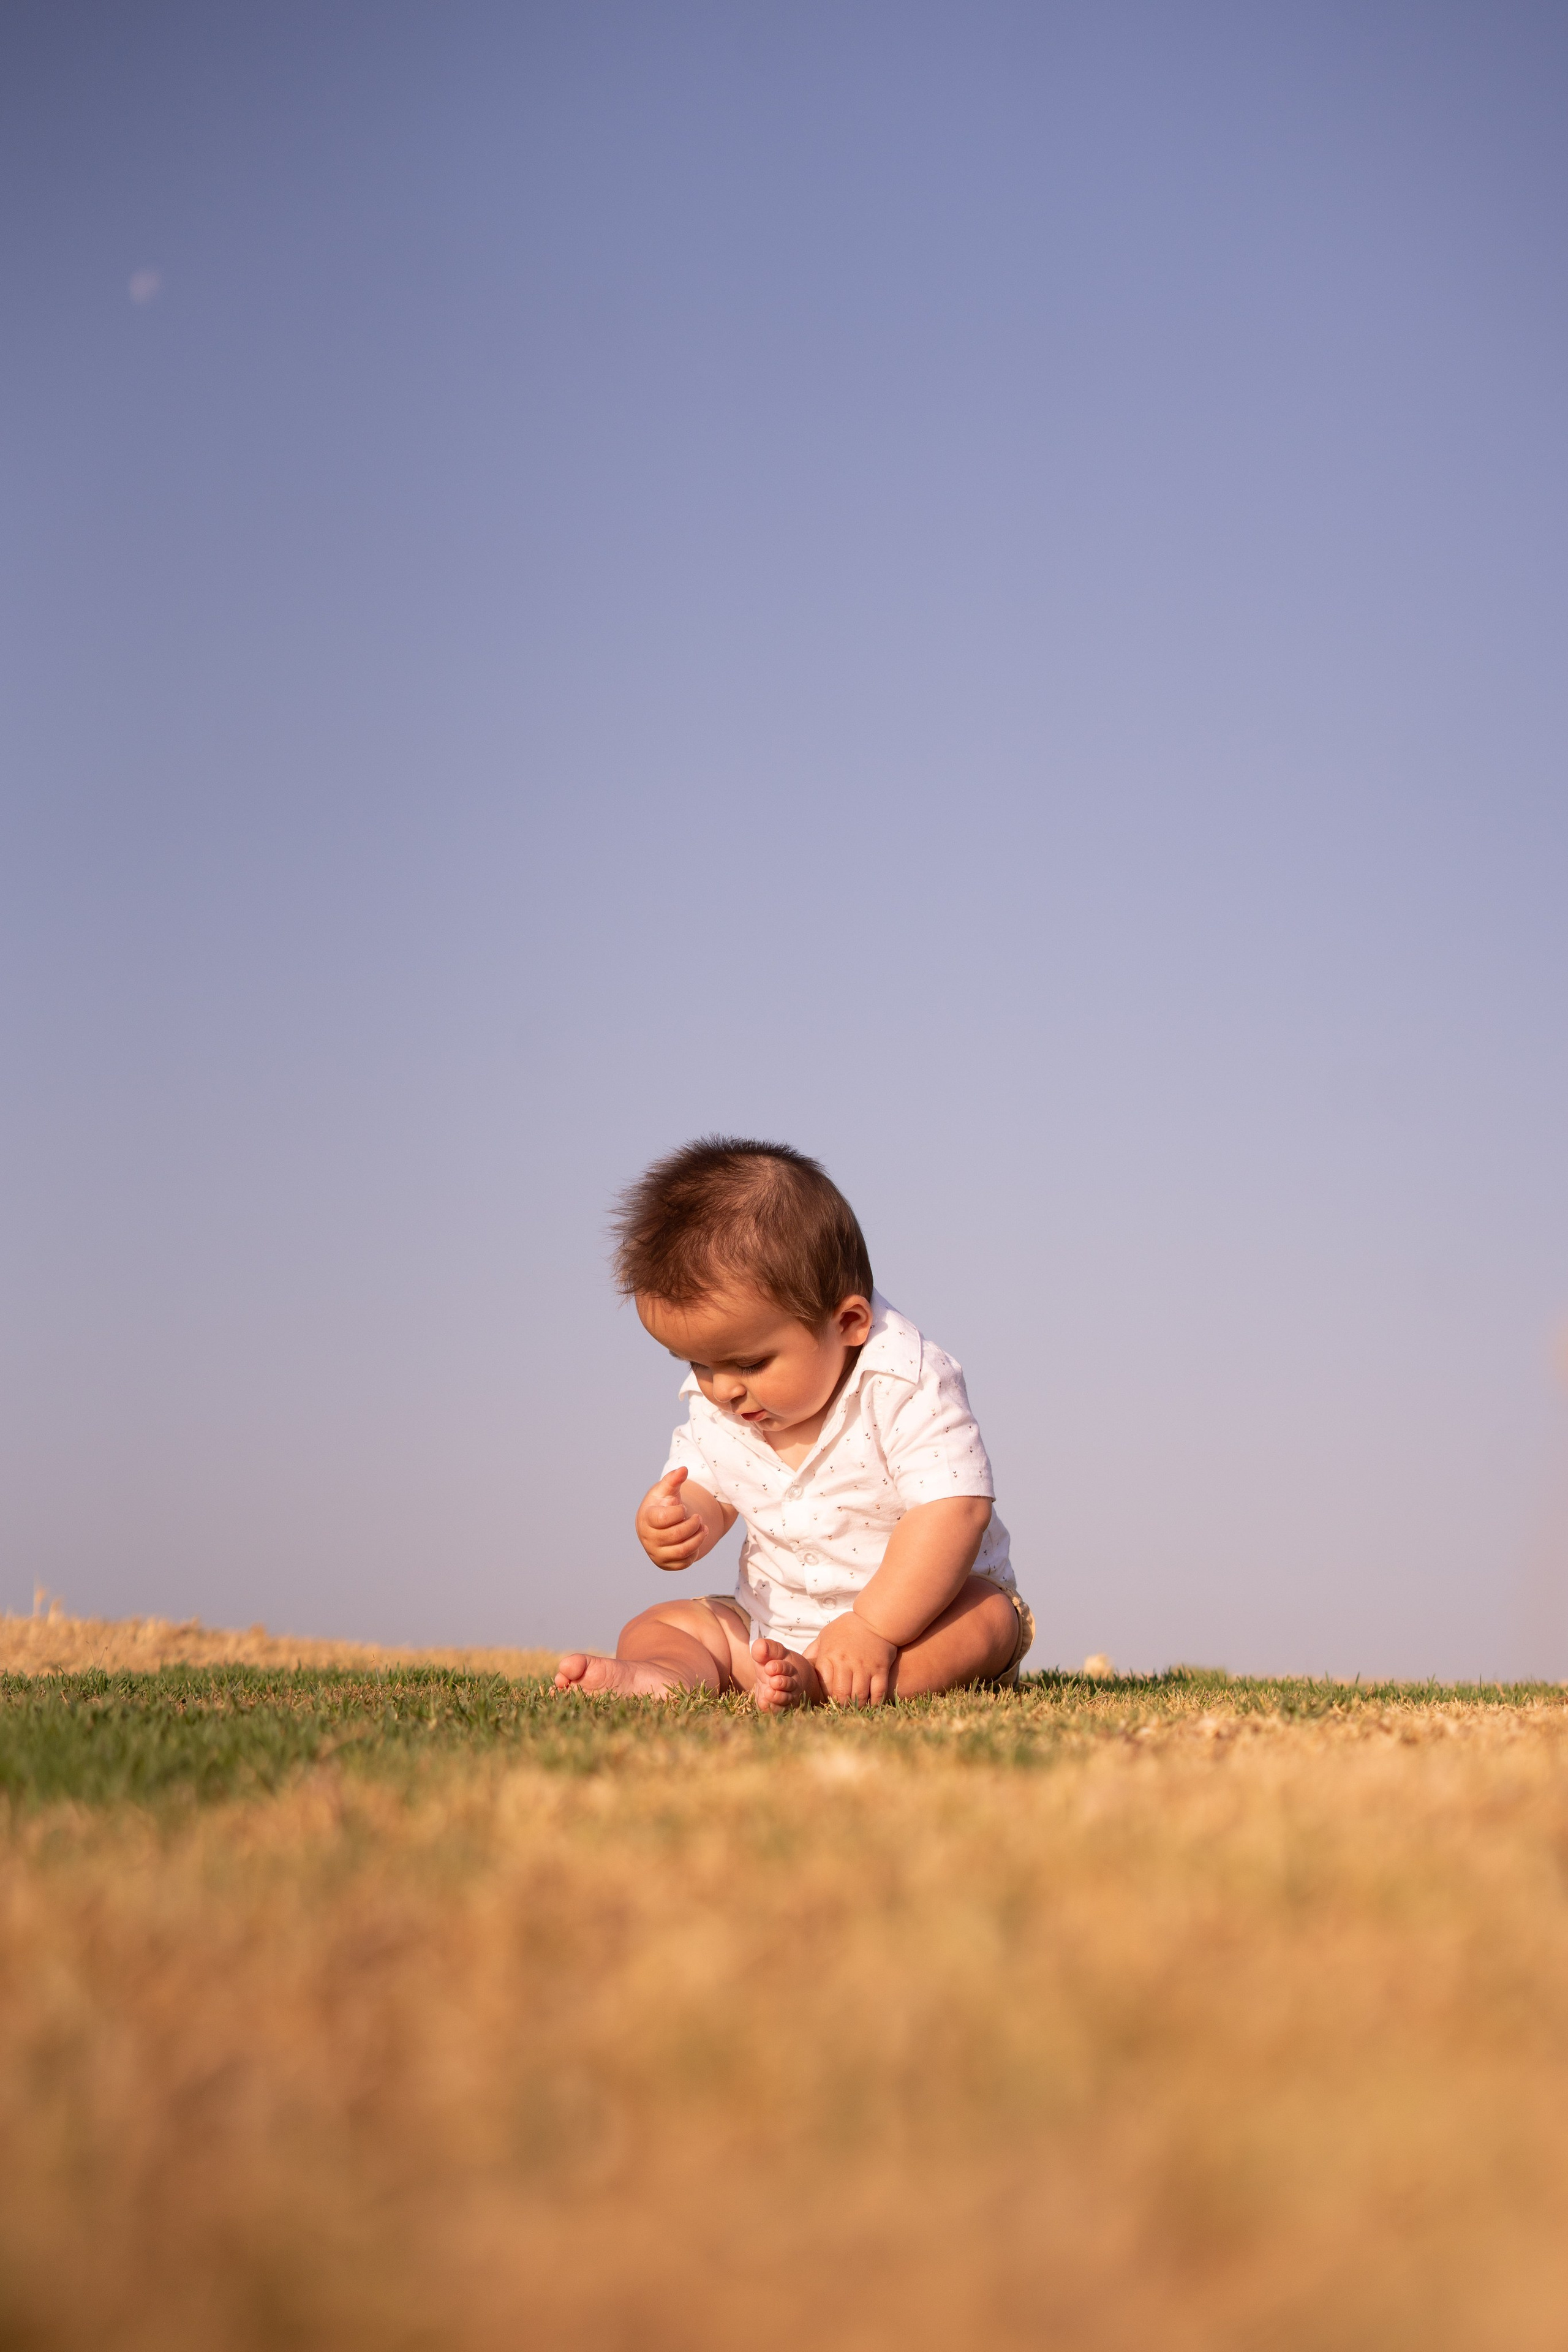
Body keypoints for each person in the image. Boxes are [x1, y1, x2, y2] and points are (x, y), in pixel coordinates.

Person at [554, 1137, 1033, 1710]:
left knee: (989, 1619)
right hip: (771, 1625)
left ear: (848, 1322)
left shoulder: (906, 1381)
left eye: (750, 1363)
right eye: (698, 1364)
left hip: (916, 1625)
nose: (723, 1389)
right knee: (662, 1623)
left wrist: (873, 1627)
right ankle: (668, 1674)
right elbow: (710, 1489)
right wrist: (682, 1520)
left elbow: (955, 1511)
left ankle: (830, 1685)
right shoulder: (721, 1404)